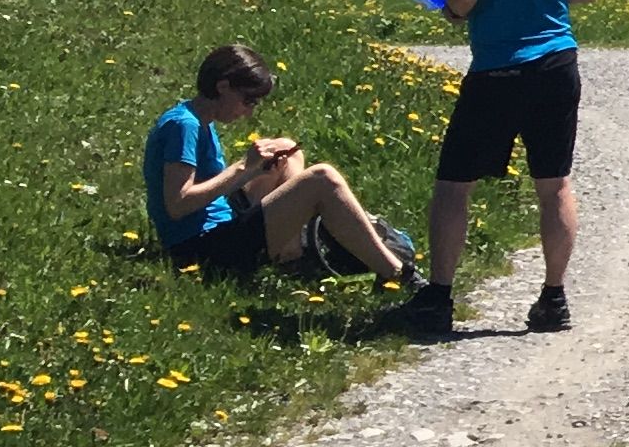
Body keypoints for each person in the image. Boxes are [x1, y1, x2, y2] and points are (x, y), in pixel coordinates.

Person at [410, 0, 598, 338]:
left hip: (498, 67)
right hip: (557, 63)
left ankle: (438, 299)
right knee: (554, 183)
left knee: (454, 185)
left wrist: (453, 10)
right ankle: (554, 298)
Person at [143, 42, 423, 290]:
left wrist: (255, 171)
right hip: (201, 250)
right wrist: (243, 168)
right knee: (323, 177)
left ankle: (291, 252)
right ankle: (399, 275)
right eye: (248, 100)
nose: (249, 111)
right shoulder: (184, 127)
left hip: (221, 226)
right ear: (223, 86)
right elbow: (178, 204)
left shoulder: (197, 119)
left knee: (284, 149)